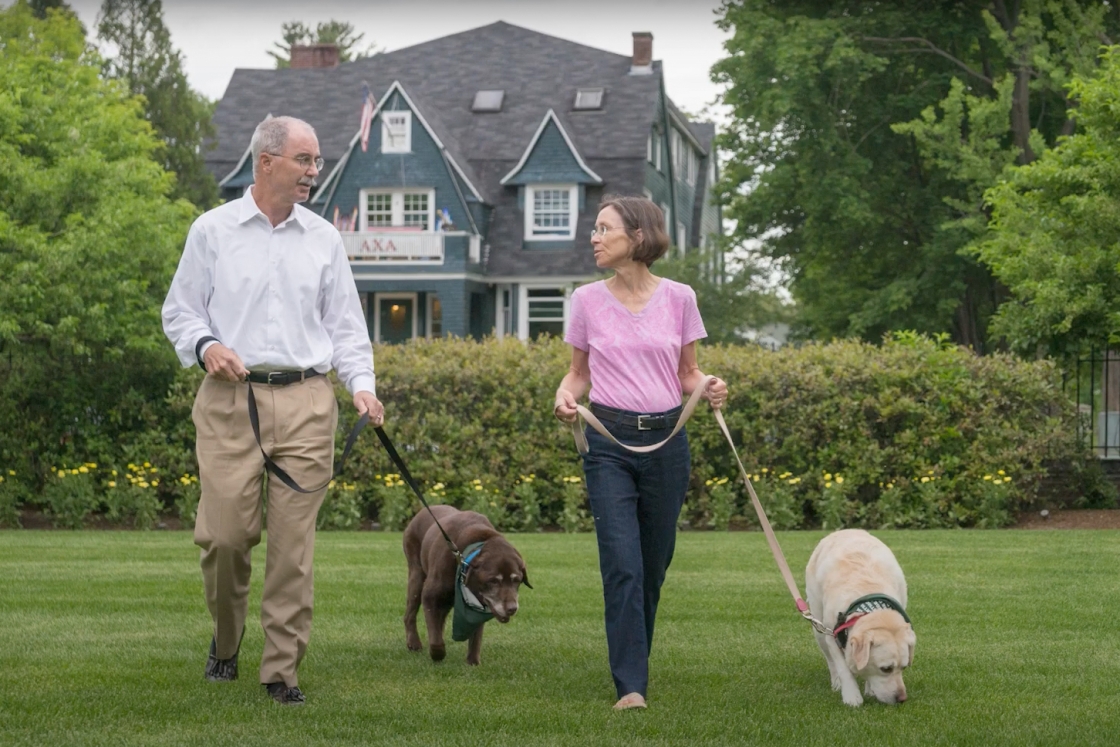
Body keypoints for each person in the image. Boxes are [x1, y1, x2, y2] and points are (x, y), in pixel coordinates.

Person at [162, 115, 383, 706]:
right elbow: (180, 312)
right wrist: (208, 347)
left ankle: (281, 669)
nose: (315, 171)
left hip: (309, 402)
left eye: (316, 161)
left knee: (294, 547)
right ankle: (226, 640)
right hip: (231, 402)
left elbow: (346, 327)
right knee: (226, 538)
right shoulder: (211, 231)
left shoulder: (324, 238)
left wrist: (361, 384)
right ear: (267, 162)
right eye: (305, 160)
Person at [553, 195, 728, 711]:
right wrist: (565, 395)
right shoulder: (586, 300)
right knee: (623, 564)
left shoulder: (679, 298)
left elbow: (688, 374)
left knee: (653, 565)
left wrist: (711, 385)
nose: (594, 237)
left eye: (605, 228)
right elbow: (579, 374)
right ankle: (631, 685)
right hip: (607, 443)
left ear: (638, 237)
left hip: (668, 444)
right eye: (594, 228)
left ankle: (634, 658)